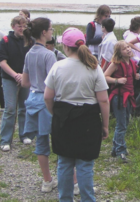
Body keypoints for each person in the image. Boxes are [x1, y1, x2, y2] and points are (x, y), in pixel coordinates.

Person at [44, 27, 110, 202]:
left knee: (64, 162)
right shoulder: (94, 67)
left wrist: (55, 114)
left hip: (63, 117)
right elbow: (103, 100)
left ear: (65, 47)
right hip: (88, 119)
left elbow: (48, 96)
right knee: (85, 163)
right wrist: (105, 125)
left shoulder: (58, 66)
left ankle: (65, 199)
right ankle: (88, 199)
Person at [21, 18, 57, 192]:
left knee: (41, 143)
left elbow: (25, 82)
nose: (51, 32)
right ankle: (73, 182)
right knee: (60, 140)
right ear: (44, 32)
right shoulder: (49, 54)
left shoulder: (29, 54)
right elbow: (55, 83)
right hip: (47, 101)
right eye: (50, 29)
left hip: (33, 99)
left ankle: (47, 181)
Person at [0, 16, 33, 152]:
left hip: (25, 78)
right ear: (13, 26)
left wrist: (25, 76)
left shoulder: (29, 41)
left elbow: (32, 59)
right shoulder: (5, 41)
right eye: (19, 26)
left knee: (24, 107)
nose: (22, 29)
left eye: (24, 26)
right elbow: (2, 62)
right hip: (9, 78)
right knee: (10, 109)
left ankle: (24, 134)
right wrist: (15, 75)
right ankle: (5, 140)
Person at [104, 41, 140, 163]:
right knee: (121, 124)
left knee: (125, 121)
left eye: (129, 47)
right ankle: (120, 150)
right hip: (119, 97)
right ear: (119, 52)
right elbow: (105, 76)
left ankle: (116, 148)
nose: (128, 49)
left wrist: (136, 76)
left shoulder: (132, 63)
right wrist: (117, 80)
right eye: (125, 49)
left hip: (128, 96)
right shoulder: (115, 64)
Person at [123, 16, 140, 117]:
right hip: (135, 66)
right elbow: (132, 54)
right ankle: (134, 110)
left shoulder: (132, 35)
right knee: (138, 90)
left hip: (136, 65)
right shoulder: (131, 37)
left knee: (138, 89)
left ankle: (134, 110)